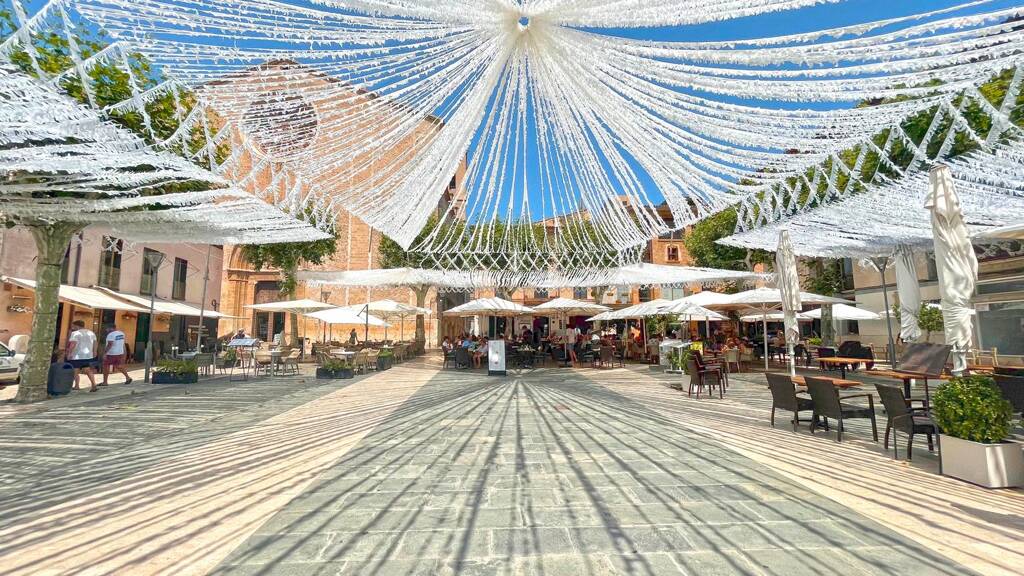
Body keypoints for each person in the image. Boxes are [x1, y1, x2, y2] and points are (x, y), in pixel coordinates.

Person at [66, 320, 98, 392]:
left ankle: (77, 385)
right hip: (88, 355)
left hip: (77, 356)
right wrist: (95, 352)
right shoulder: (91, 333)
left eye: (73, 326)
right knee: (88, 370)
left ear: (76, 325)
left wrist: (69, 353)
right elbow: (95, 343)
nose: (73, 327)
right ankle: (93, 385)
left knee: (75, 371)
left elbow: (73, 344)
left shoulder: (75, 333)